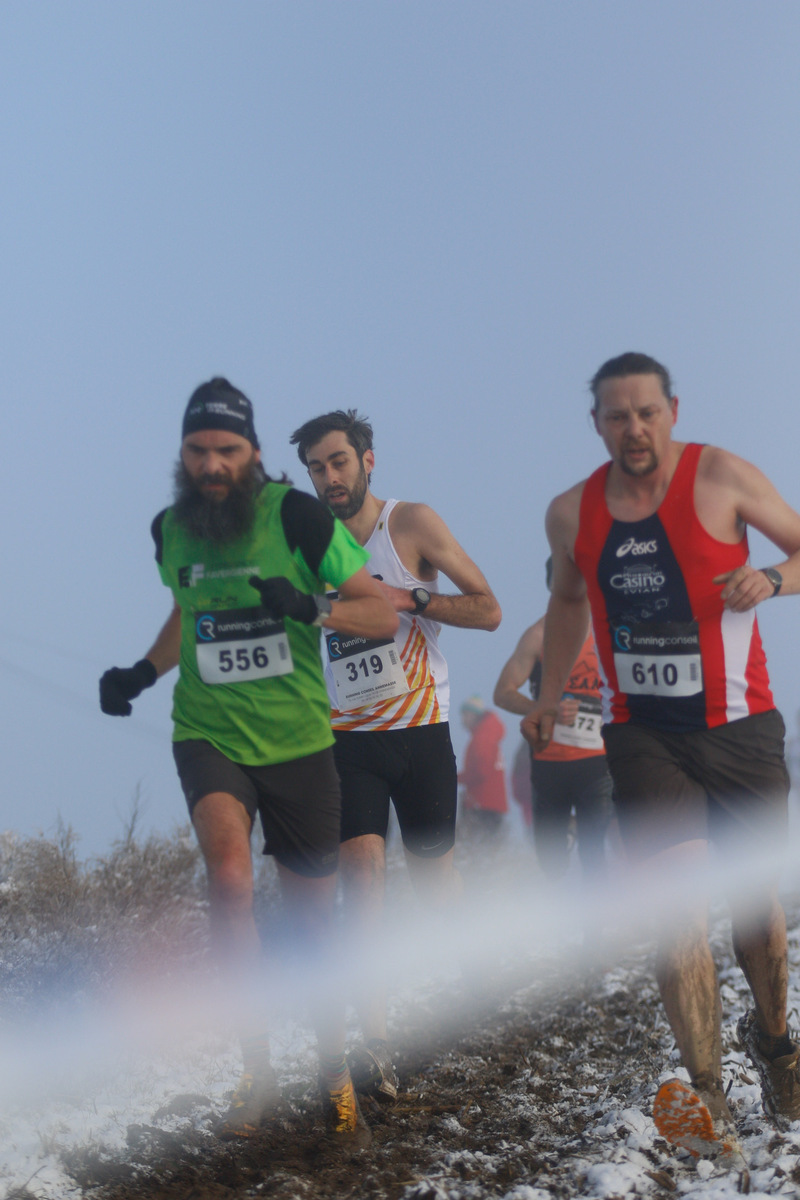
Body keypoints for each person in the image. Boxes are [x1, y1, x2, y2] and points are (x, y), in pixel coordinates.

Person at [99, 378, 398, 1148]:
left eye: (227, 450)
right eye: (198, 450)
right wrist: (142, 671)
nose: (212, 465)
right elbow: (188, 611)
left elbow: (380, 611)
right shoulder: (170, 530)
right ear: (183, 453)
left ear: (254, 453)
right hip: (209, 735)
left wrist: (311, 607)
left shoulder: (296, 516)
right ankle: (256, 1069)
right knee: (230, 882)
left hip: (299, 744)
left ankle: (332, 1073)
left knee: (311, 923)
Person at [522, 351, 800, 1153]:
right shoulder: (571, 513)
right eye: (618, 415)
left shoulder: (721, 476)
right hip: (643, 734)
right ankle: (706, 1096)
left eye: (647, 412)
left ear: (673, 411)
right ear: (597, 423)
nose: (634, 428)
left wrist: (772, 579)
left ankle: (776, 1044)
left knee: (759, 916)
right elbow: (567, 602)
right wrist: (547, 699)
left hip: (741, 727)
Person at [289, 409, 501, 1101]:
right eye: (316, 467)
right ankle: (376, 1044)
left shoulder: (409, 525)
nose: (329, 477)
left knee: (436, 883)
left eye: (338, 462)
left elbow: (488, 609)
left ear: (367, 460)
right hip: (347, 742)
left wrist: (410, 598)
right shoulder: (304, 547)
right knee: (363, 887)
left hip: (422, 736)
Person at [494, 560, 613, 889]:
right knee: (551, 860)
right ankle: (559, 903)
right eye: (565, 582)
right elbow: (502, 693)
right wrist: (544, 709)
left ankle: (596, 916)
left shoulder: (608, 632)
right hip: (549, 762)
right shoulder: (538, 636)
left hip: (597, 763)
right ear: (552, 587)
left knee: (594, 853)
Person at [457, 696, 508, 842]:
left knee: (477, 849)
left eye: (465, 714)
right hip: (492, 803)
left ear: (474, 715)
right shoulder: (488, 733)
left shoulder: (483, 737)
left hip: (482, 804)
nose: (463, 720)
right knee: (489, 849)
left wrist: (453, 778)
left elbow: (481, 771)